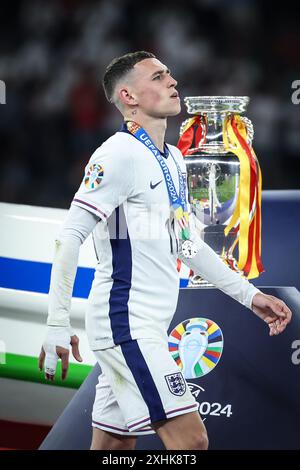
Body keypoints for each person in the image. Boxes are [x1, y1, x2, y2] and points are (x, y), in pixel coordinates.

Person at [38, 51, 292, 451]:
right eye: (158, 77)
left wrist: (251, 295)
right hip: (126, 326)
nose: (172, 81)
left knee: (112, 448)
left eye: (169, 74)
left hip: (145, 325)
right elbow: (70, 236)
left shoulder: (172, 158)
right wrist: (56, 323)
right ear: (129, 96)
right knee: (191, 443)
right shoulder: (117, 155)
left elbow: (185, 243)